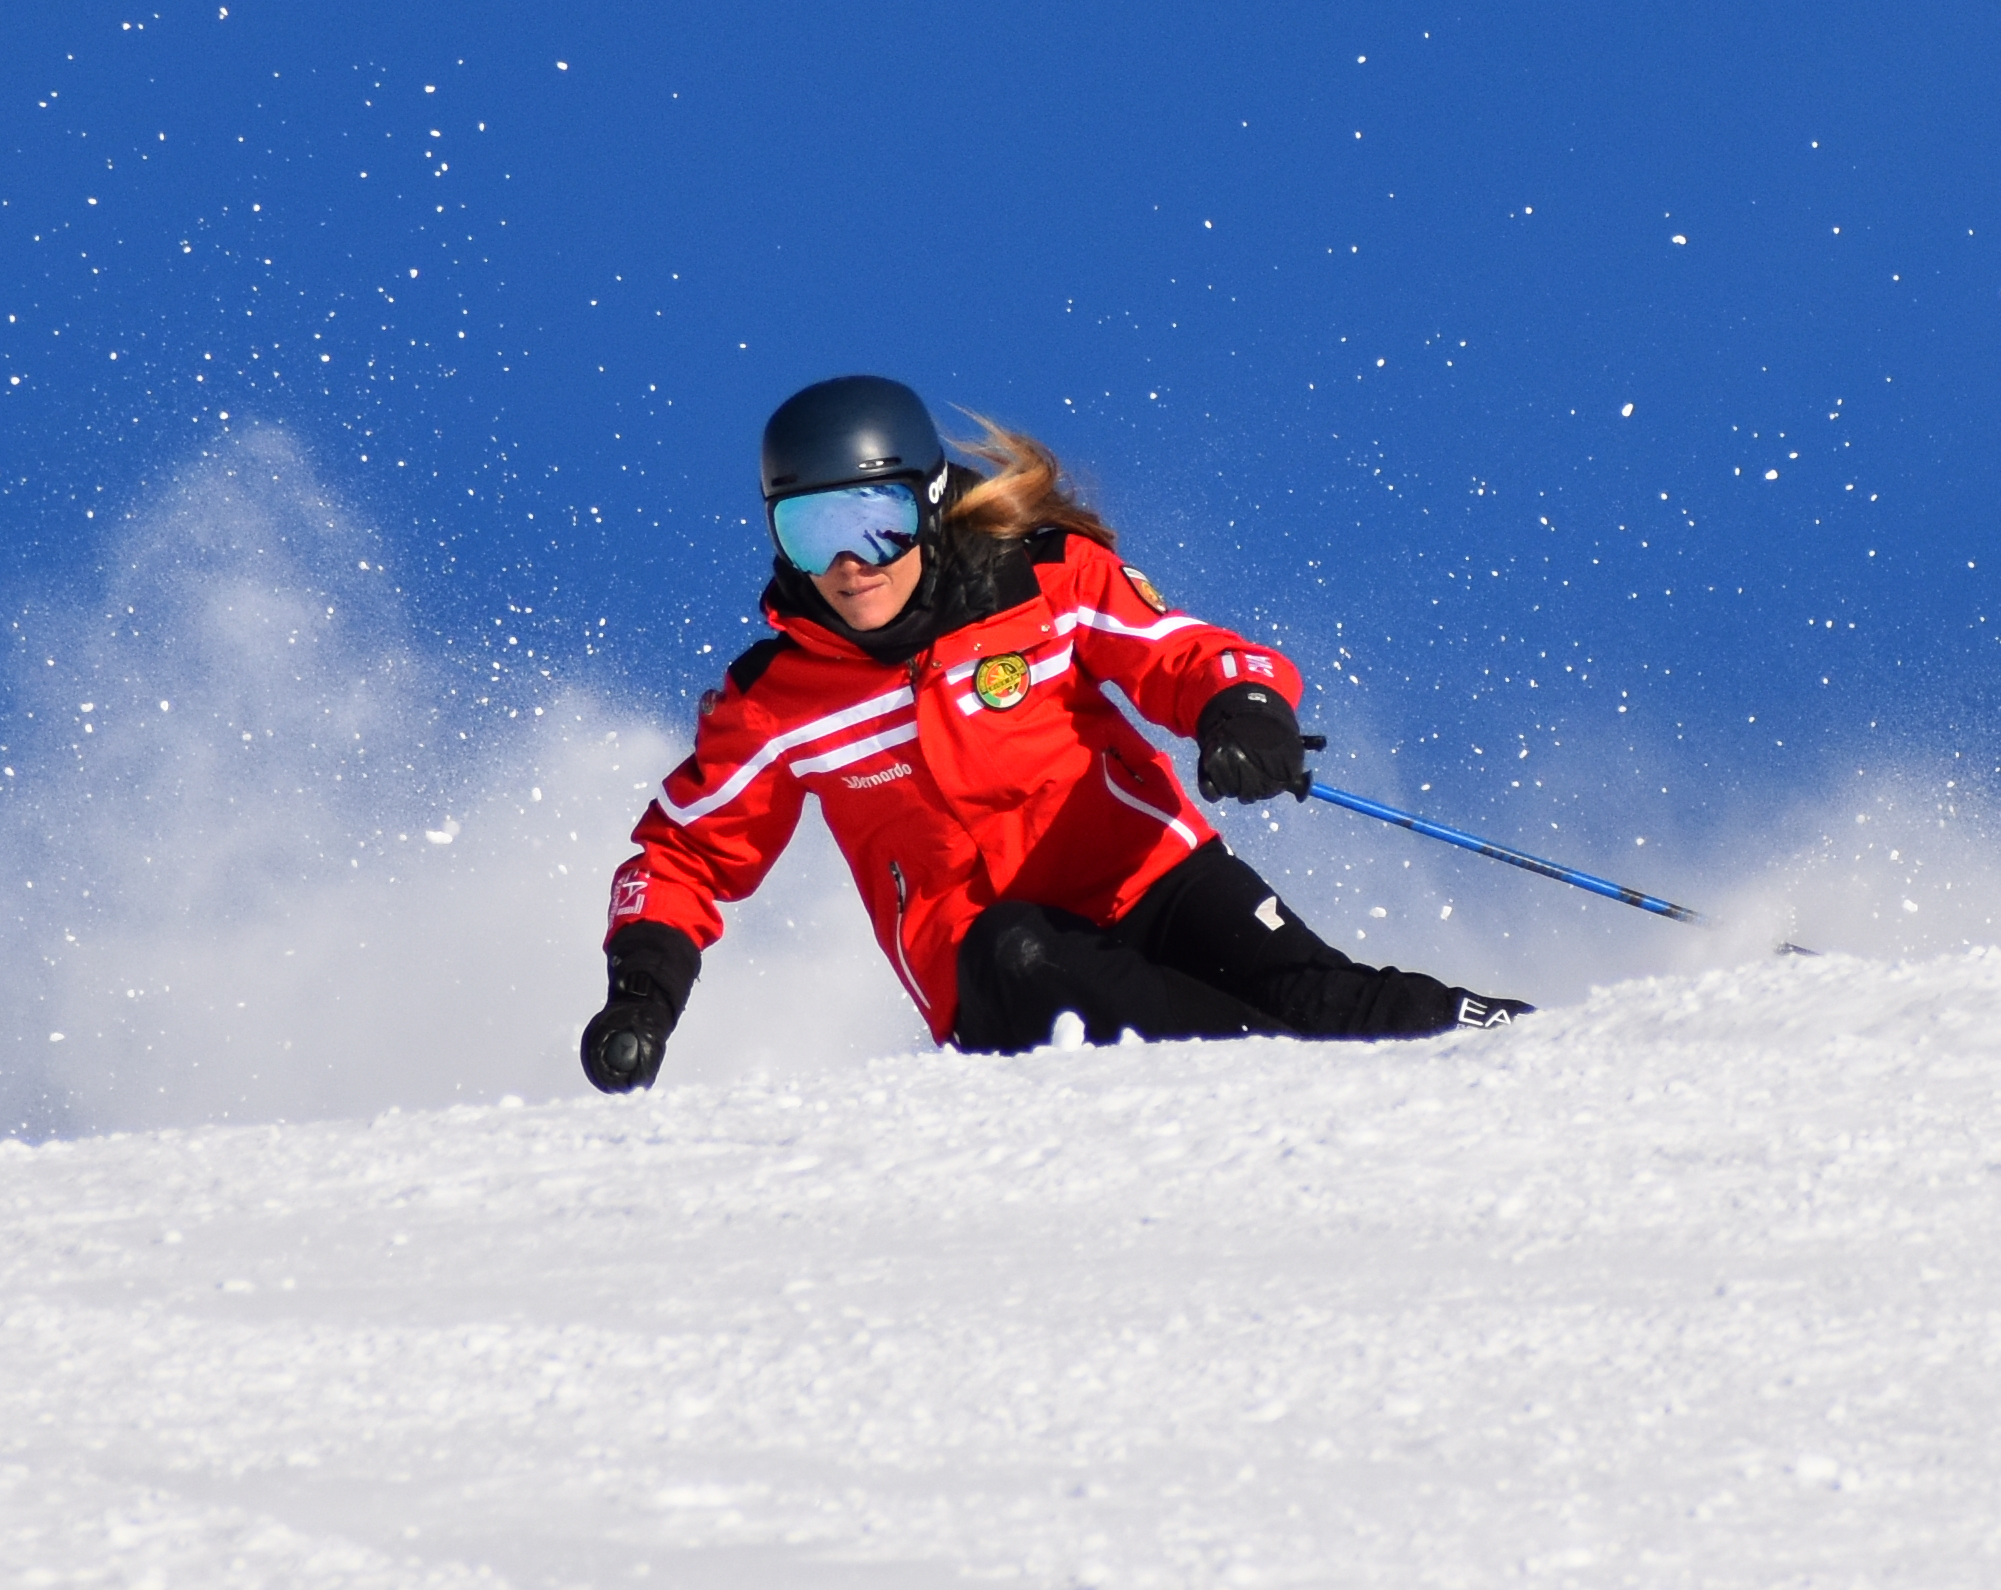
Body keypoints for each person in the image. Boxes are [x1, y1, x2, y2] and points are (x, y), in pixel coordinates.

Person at [578, 375, 1522, 1089]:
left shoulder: (1041, 585)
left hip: (1151, 878)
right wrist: (643, 996)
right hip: (994, 966)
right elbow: (684, 856)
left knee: (1330, 1002)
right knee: (1022, 947)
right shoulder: (780, 701)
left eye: (877, 521)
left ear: (932, 502)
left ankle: (1559, 1049)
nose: (848, 565)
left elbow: (1179, 651)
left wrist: (1244, 711)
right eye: (809, 530)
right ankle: (1276, 1078)